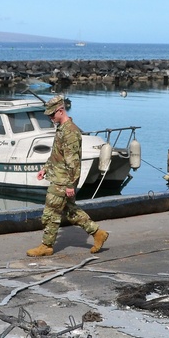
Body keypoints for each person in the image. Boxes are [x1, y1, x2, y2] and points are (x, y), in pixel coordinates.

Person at [26, 96, 109, 257]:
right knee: (71, 211)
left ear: (61, 111)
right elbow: (57, 155)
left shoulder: (70, 132)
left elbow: (73, 162)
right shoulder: (62, 129)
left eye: (52, 115)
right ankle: (98, 233)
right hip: (59, 176)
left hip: (63, 181)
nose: (50, 118)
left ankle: (46, 246)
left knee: (50, 213)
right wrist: (45, 168)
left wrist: (70, 184)